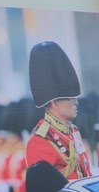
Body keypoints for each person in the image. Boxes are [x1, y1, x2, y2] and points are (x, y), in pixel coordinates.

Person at [24, 42, 92, 180]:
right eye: (70, 98)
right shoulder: (40, 141)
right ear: (55, 102)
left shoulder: (73, 131)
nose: (76, 102)